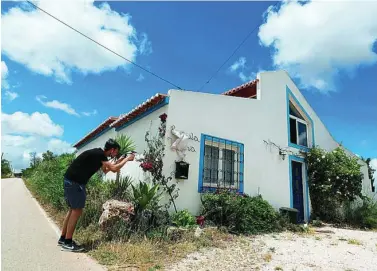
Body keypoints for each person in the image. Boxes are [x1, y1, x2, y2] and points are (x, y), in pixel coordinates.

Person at [58, 139, 135, 252]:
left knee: (72, 210)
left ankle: (63, 238)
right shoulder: (99, 154)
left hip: (71, 181)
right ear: (112, 150)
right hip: (75, 183)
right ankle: (68, 242)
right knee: (77, 211)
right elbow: (113, 169)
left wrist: (121, 159)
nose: (115, 154)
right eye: (116, 152)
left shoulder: (99, 155)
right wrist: (128, 159)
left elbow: (106, 170)